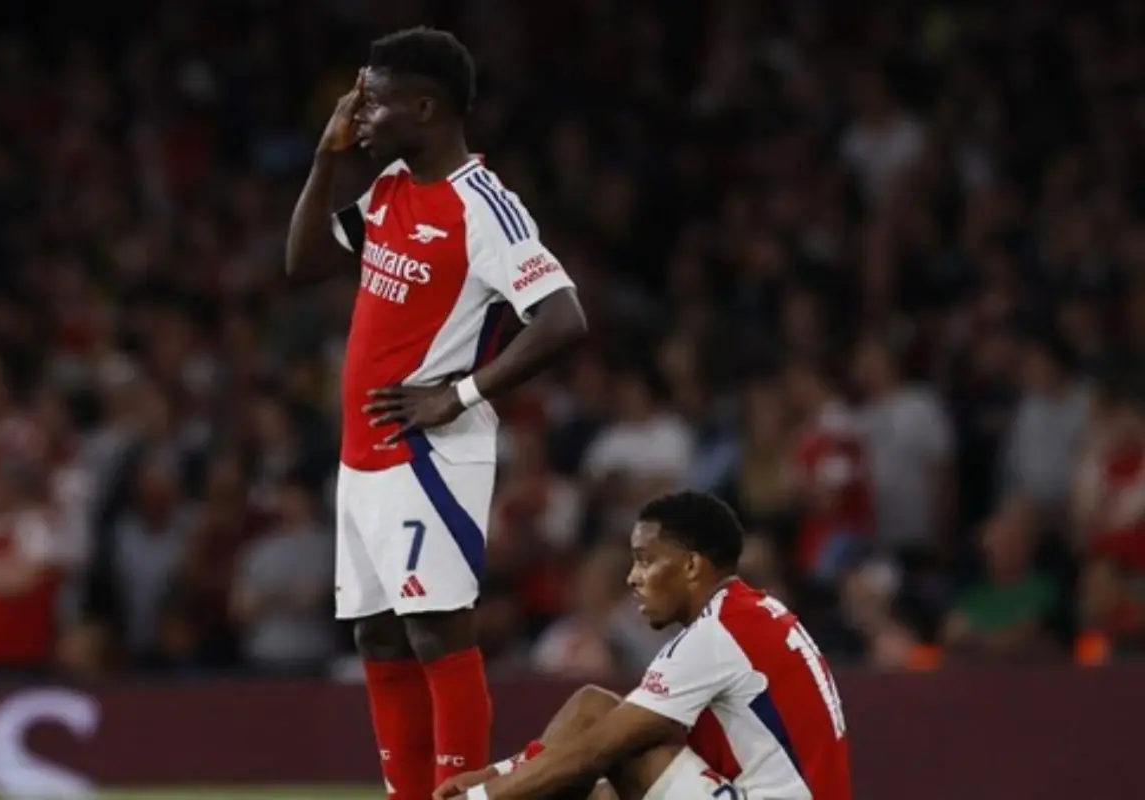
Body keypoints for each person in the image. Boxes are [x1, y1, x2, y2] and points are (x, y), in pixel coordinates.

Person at [285, 26, 587, 799]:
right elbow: (305, 262)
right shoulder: (390, 185)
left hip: (429, 454)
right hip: (364, 455)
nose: (361, 115)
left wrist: (459, 394)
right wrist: (325, 157)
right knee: (379, 636)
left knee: (436, 630)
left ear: (425, 107)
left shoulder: (484, 206)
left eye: (376, 102)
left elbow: (562, 317)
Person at [437, 491, 853, 800]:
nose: (632, 577)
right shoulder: (751, 613)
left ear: (691, 565)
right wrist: (496, 774)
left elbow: (595, 747)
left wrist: (481, 797)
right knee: (593, 712)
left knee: (601, 750)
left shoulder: (716, 635)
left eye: (646, 560)